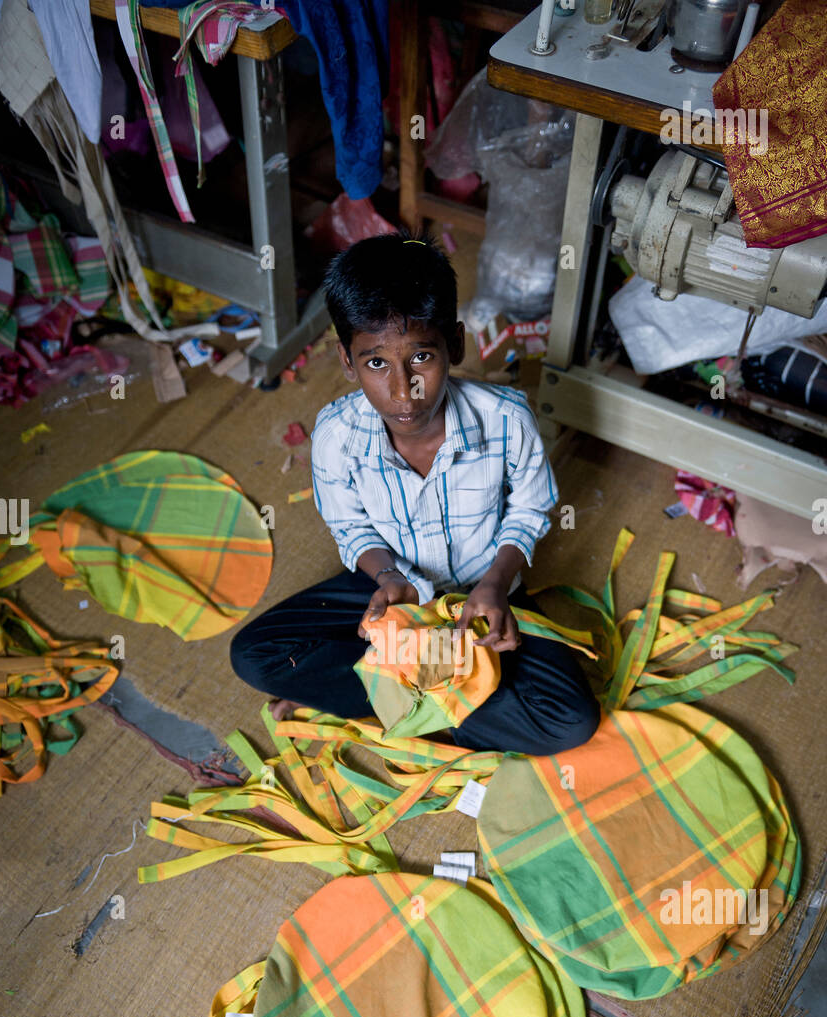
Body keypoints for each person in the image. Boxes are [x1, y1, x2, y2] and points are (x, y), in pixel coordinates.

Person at [230, 232, 600, 755]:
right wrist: (387, 578)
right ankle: (438, 699)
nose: (404, 391)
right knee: (256, 656)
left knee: (573, 721)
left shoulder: (506, 417)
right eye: (376, 364)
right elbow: (351, 527)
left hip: (481, 596)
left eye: (421, 357)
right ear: (346, 360)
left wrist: (497, 580)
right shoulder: (337, 433)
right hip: (392, 589)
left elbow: (530, 507)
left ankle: (405, 699)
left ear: (456, 344)